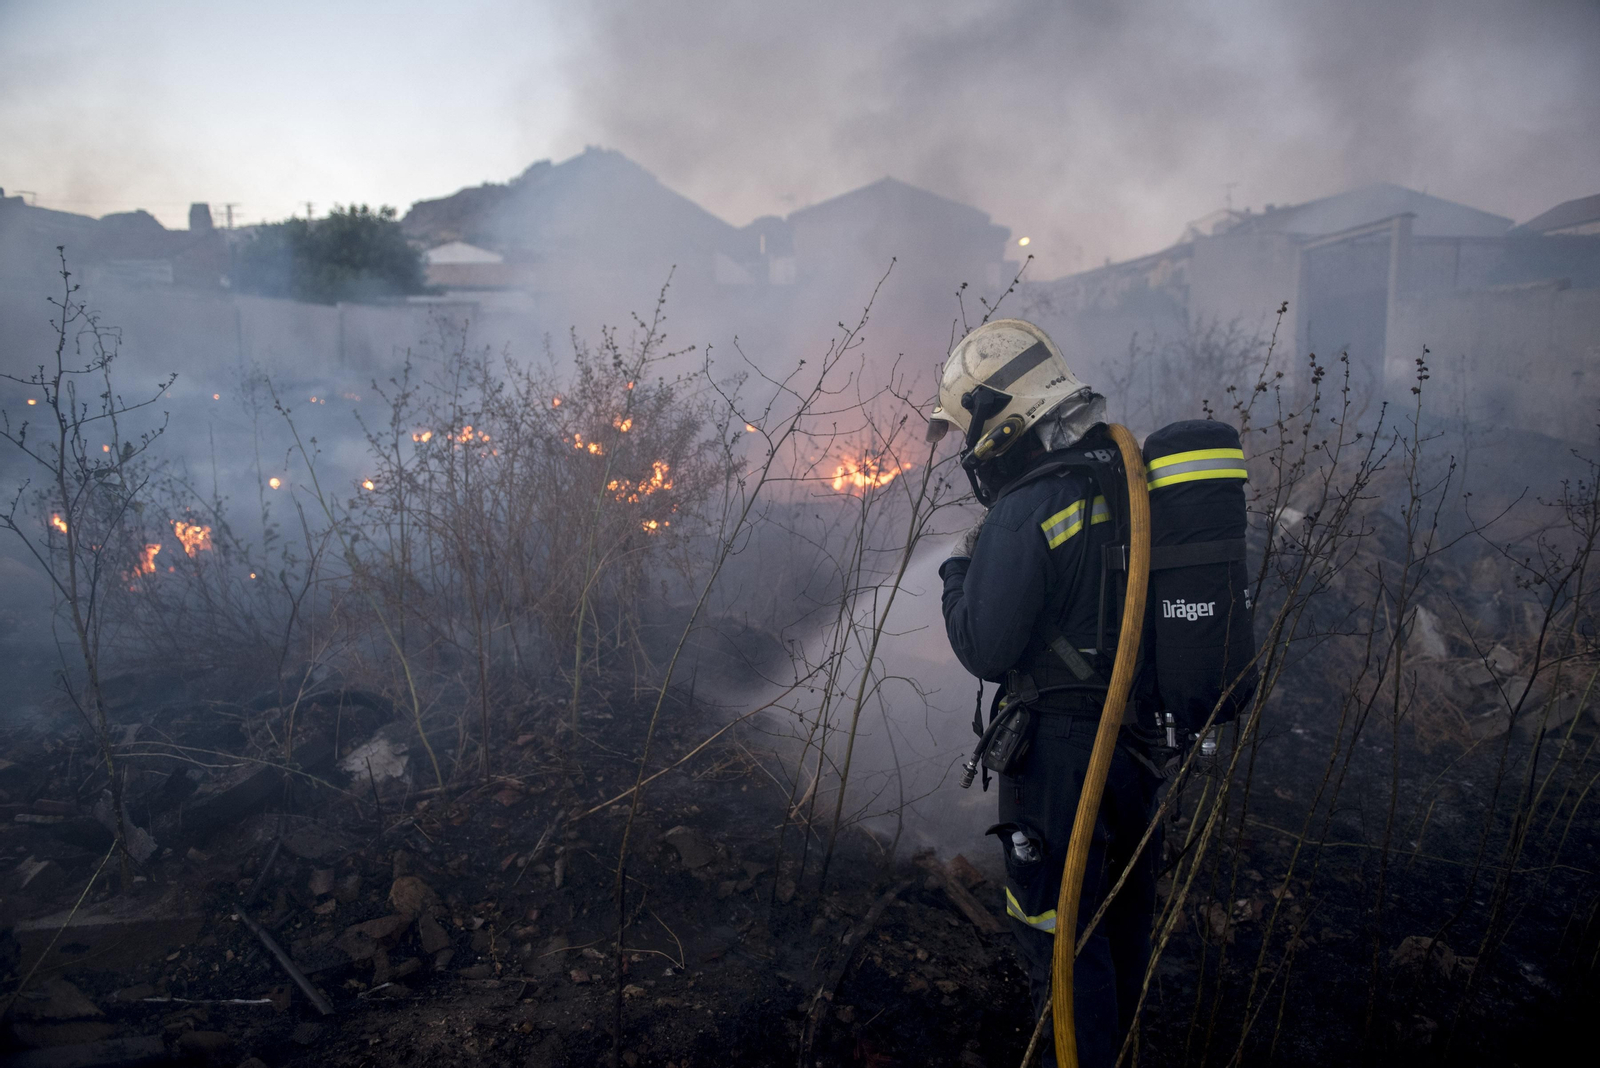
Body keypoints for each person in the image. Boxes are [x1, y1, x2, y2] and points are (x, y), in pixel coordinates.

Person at [928, 319, 1163, 1068]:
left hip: (1063, 763)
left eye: (969, 428)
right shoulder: (1128, 481)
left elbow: (985, 648)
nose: (969, 449)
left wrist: (958, 573)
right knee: (1119, 933)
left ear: (1001, 417)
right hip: (1138, 747)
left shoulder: (1028, 507)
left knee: (1059, 943)